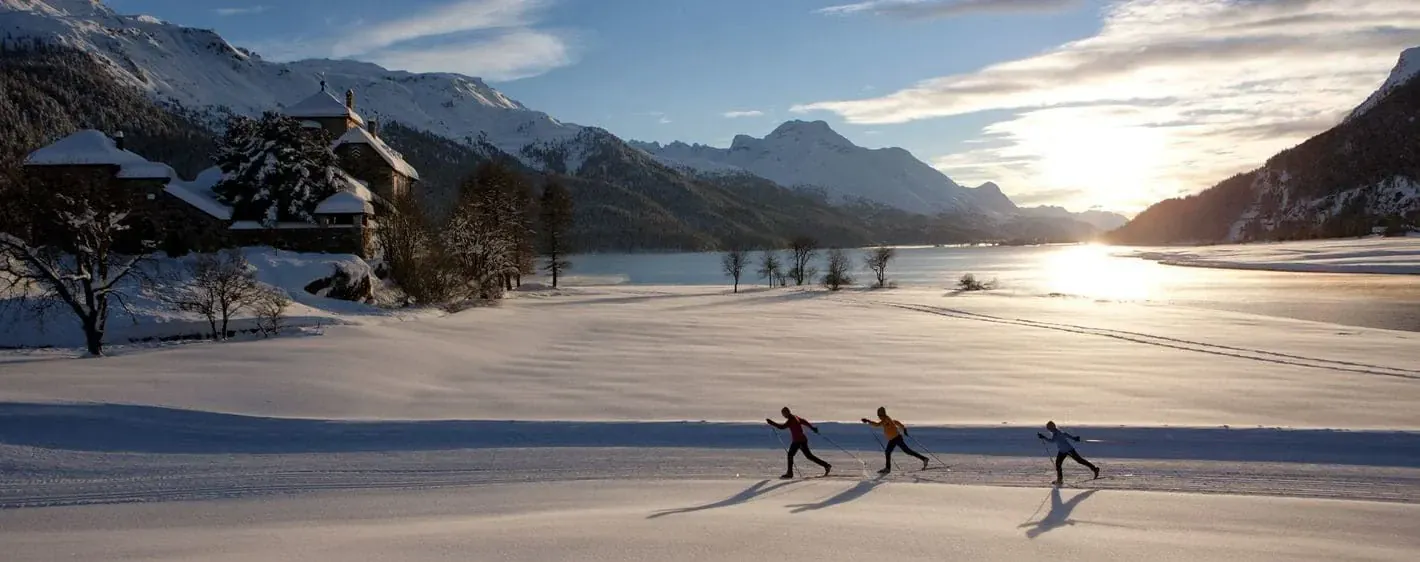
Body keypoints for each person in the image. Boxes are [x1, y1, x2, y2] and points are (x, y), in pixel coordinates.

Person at [767, 407, 831, 479]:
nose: (783, 415)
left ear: (787, 412)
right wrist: (812, 428)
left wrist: (772, 423)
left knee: (791, 455)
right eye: (783, 414)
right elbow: (804, 421)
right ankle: (826, 465)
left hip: (798, 441)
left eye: (784, 414)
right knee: (809, 456)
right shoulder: (795, 417)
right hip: (801, 440)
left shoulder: (791, 419)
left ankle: (790, 473)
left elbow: (782, 427)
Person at [861, 406, 928, 474]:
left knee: (906, 451)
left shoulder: (886, 420)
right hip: (893, 439)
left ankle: (924, 459)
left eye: (880, 415)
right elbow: (895, 422)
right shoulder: (887, 419)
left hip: (896, 438)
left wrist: (868, 421)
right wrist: (903, 428)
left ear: (883, 414)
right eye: (879, 415)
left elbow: (877, 425)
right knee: (890, 452)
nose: (879, 417)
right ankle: (888, 468)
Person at [1037, 421, 1099, 485]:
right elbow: (1065, 434)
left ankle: (1095, 469)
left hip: (1068, 450)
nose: (1048, 429)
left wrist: (1043, 437)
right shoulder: (1056, 432)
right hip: (1062, 451)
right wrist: (1073, 438)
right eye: (1048, 428)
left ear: (1052, 427)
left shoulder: (1057, 433)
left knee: (1080, 460)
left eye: (1049, 428)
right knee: (1058, 464)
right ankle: (1059, 480)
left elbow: (1052, 441)